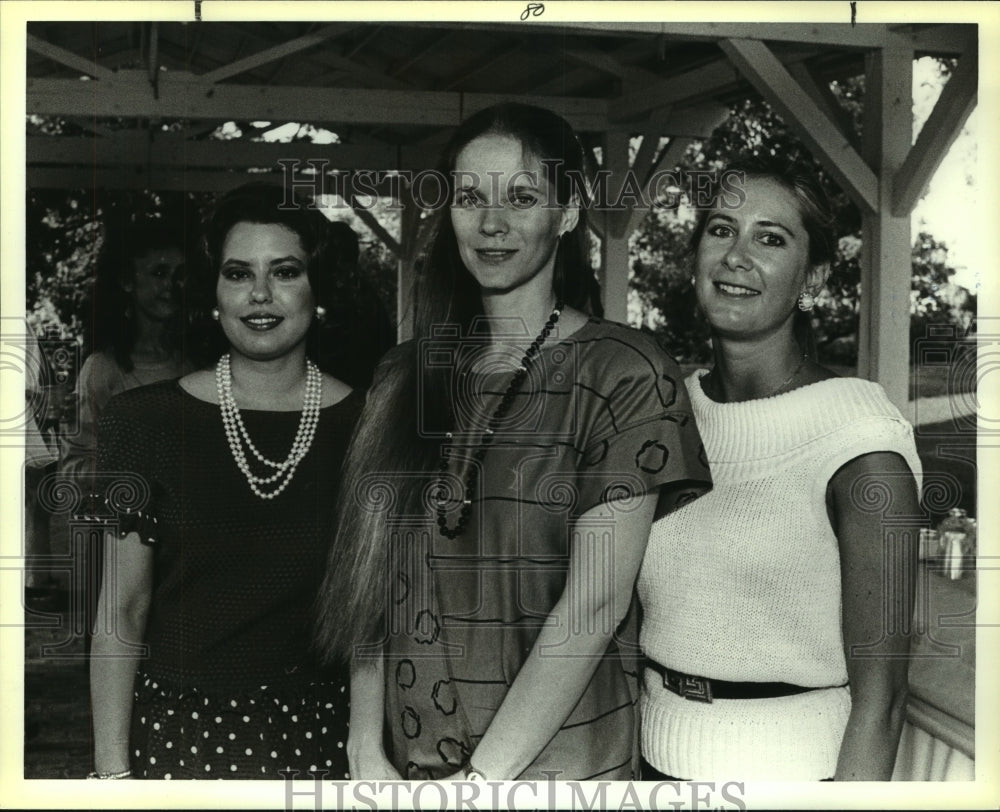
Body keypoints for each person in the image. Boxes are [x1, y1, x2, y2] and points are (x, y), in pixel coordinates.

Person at [316, 102, 711, 781]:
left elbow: (594, 606)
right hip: (408, 767)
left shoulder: (626, 373)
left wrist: (478, 786)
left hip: (561, 771)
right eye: (470, 198)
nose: (491, 223)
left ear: (567, 212)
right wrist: (362, 748)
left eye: (521, 197)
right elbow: (372, 578)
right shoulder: (404, 374)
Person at [636, 160, 923, 781]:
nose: (737, 256)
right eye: (721, 230)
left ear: (812, 277)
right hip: (650, 765)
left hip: (794, 777)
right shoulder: (662, 413)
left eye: (770, 238)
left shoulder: (861, 437)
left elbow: (884, 701)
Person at [88, 183, 364, 780]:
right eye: (238, 274)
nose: (260, 294)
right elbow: (123, 608)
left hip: (323, 739)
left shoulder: (366, 426)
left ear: (317, 290)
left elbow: (374, 620)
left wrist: (367, 755)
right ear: (212, 294)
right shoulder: (143, 424)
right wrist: (110, 773)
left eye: (285, 271)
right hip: (174, 738)